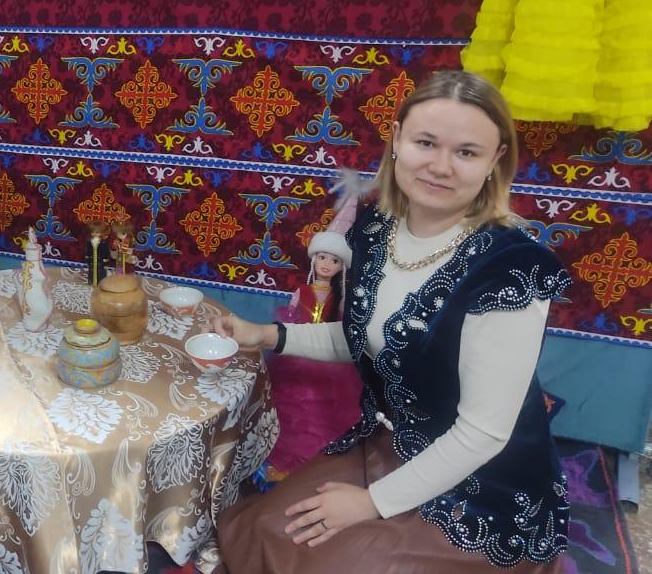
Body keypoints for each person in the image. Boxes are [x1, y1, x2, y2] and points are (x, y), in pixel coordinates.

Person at [212, 70, 571, 573]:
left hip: (484, 484)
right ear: (398, 139)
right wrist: (268, 334)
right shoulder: (377, 230)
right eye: (426, 143)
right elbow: (368, 338)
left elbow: (483, 435)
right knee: (266, 527)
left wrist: (370, 503)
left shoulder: (511, 271)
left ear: (495, 161)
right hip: (390, 442)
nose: (441, 166)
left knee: (322, 565)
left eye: (467, 152)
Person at [261, 190, 363, 485]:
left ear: (342, 266)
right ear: (314, 259)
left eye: (335, 260)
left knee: (321, 412)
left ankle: (313, 463)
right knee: (289, 406)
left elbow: (342, 328)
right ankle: (280, 461)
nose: (327, 264)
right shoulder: (301, 292)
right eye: (322, 257)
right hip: (295, 356)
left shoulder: (341, 297)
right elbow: (291, 318)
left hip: (329, 361)